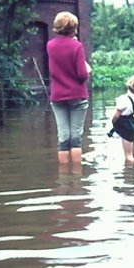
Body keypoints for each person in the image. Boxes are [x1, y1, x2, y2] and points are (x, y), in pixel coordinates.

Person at [47, 11, 92, 165]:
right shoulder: (77, 46)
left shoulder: (50, 46)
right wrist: (88, 70)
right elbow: (82, 74)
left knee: (63, 137)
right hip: (77, 95)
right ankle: (76, 177)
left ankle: (64, 177)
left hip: (57, 96)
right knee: (76, 138)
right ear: (74, 27)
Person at [108, 75, 134, 163]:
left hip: (125, 126)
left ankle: (131, 172)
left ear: (128, 85)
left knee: (128, 156)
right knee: (133, 152)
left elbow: (117, 115)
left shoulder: (123, 99)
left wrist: (113, 122)